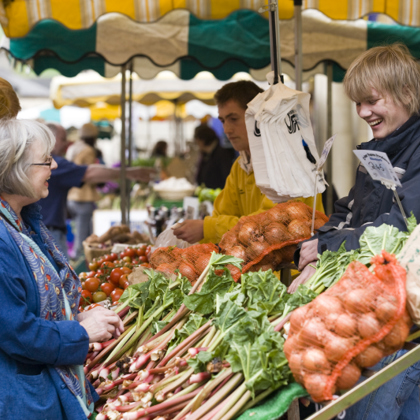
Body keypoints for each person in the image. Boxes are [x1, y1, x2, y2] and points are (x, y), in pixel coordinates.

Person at [291, 44, 420, 419]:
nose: (363, 113)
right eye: (357, 104)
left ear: (406, 94)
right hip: (375, 320)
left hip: (406, 331)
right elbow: (348, 211)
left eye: (371, 101)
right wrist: (320, 242)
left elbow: (404, 224)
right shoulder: (380, 151)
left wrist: (329, 245)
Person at [0, 117, 124, 419]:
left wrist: (75, 316)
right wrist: (80, 331)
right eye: (46, 161)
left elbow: (25, 309)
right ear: (16, 170)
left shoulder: (21, 221)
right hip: (19, 402)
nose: (54, 167)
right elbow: (15, 332)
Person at [173, 80, 324, 244]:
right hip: (255, 264)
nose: (227, 129)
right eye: (223, 120)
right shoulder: (241, 166)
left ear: (256, 117)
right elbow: (222, 213)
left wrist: (207, 228)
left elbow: (274, 223)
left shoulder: (286, 160)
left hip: (296, 266)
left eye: (233, 119)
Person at [40, 123, 155, 257]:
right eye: (63, 139)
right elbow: (89, 172)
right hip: (51, 229)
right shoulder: (55, 163)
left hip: (51, 223)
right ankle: (79, 255)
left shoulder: (60, 156)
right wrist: (128, 173)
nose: (66, 143)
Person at [194, 123, 235, 189]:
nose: (197, 145)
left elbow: (226, 178)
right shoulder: (206, 154)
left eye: (197, 141)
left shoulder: (222, 154)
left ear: (203, 140)